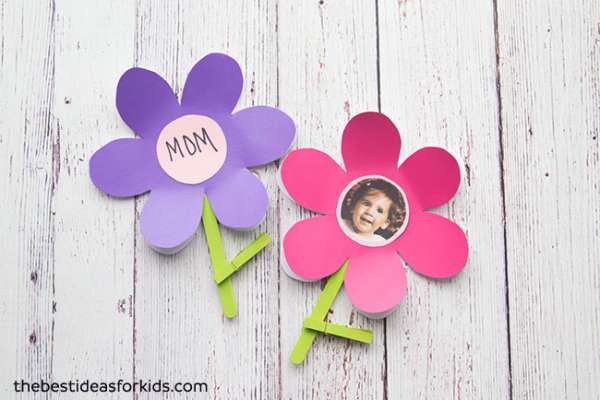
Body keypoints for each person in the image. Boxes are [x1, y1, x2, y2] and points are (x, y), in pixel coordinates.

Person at [340, 179, 406, 245]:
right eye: (366, 204)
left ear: (385, 223)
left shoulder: (380, 243)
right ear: (353, 206)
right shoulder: (341, 225)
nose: (370, 212)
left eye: (379, 211)